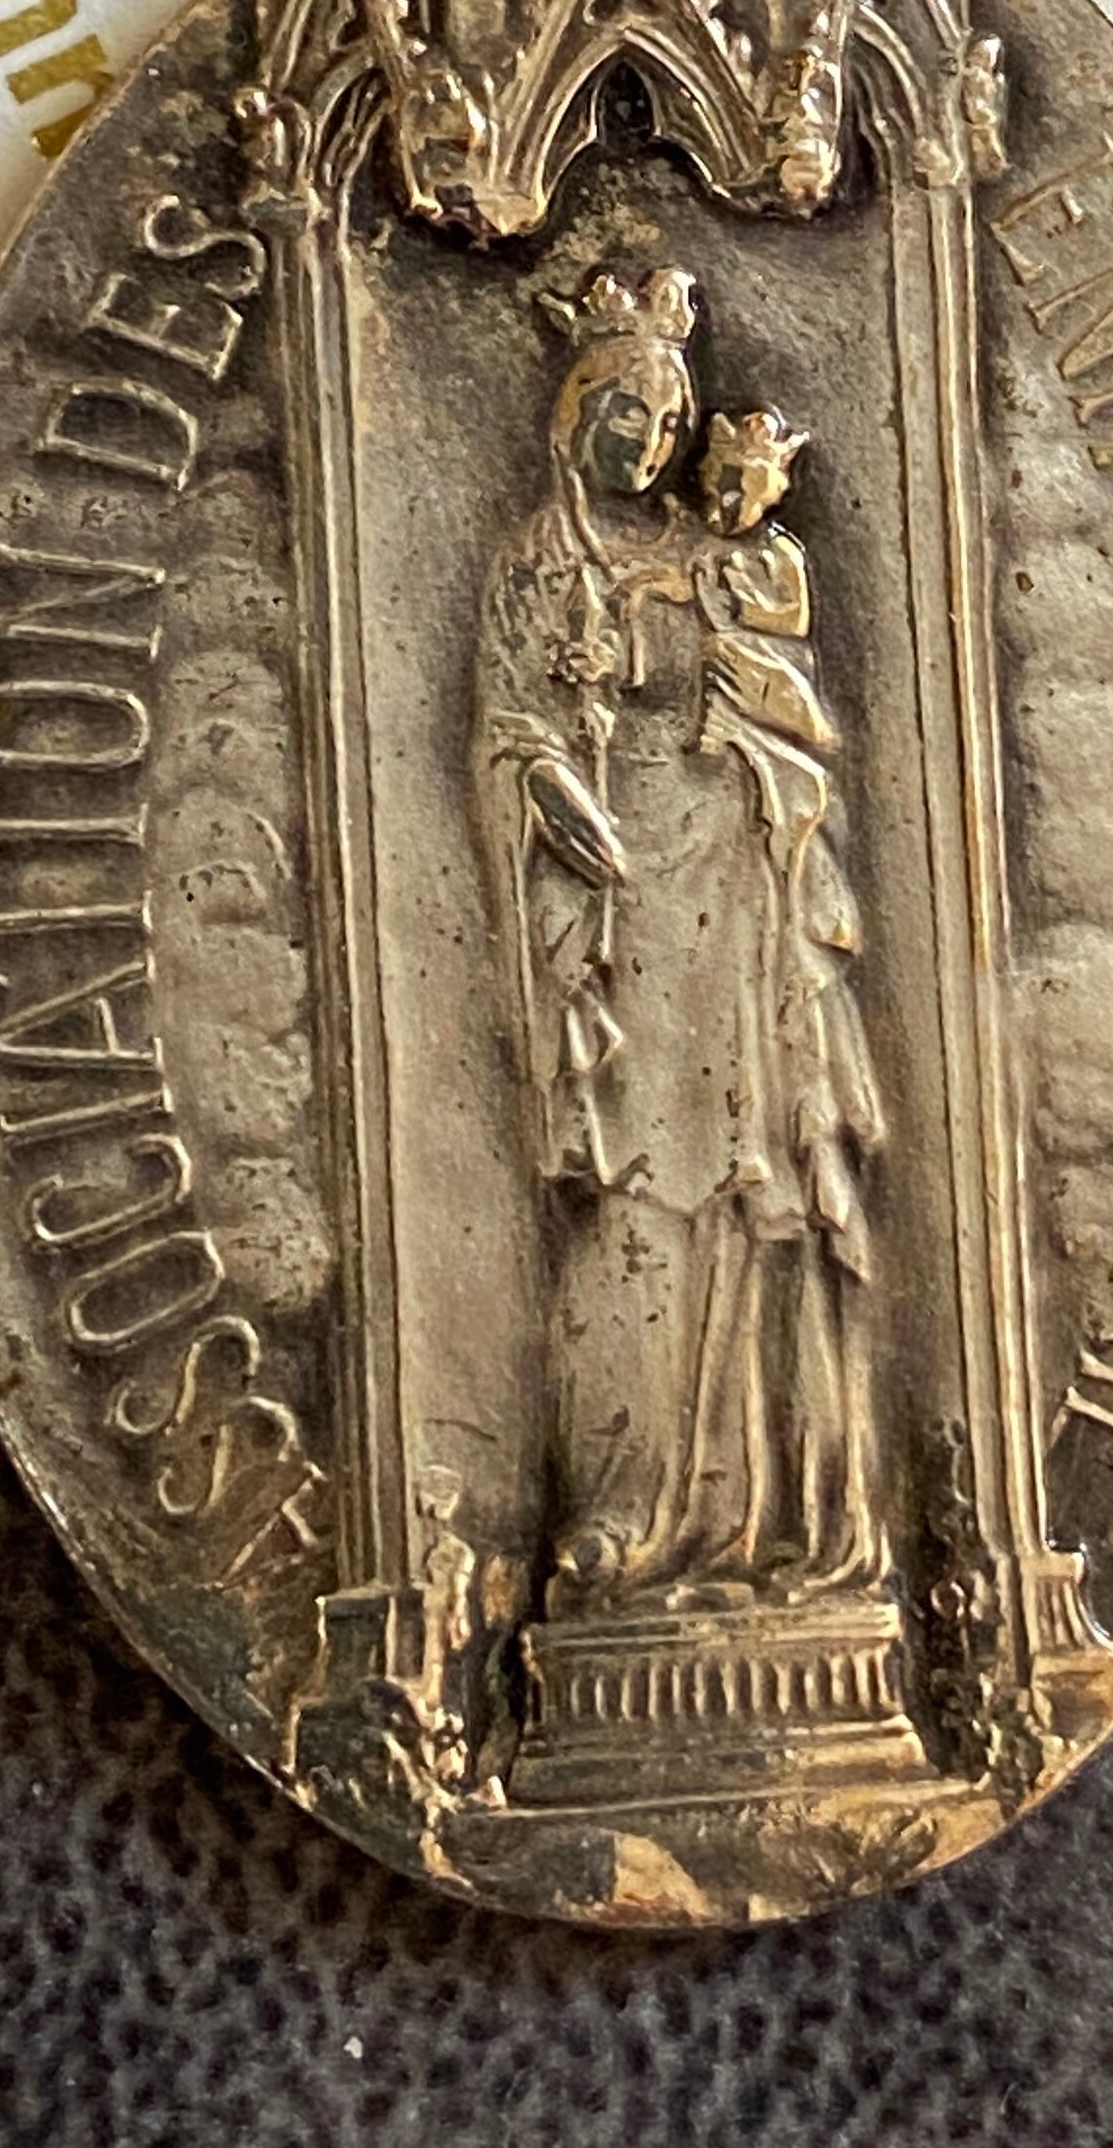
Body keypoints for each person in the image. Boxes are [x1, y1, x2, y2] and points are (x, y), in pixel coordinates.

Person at [476, 271, 888, 1614]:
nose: (648, 443)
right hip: (612, 905)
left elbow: (792, 707)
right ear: (576, 409)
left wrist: (728, 707)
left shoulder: (712, 559)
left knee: (738, 1187)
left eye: (665, 423)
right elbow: (506, 726)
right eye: (627, 414)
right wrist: (547, 786)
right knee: (633, 1199)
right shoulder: (536, 565)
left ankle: (741, 1505)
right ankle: (625, 1501)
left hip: (728, 895)